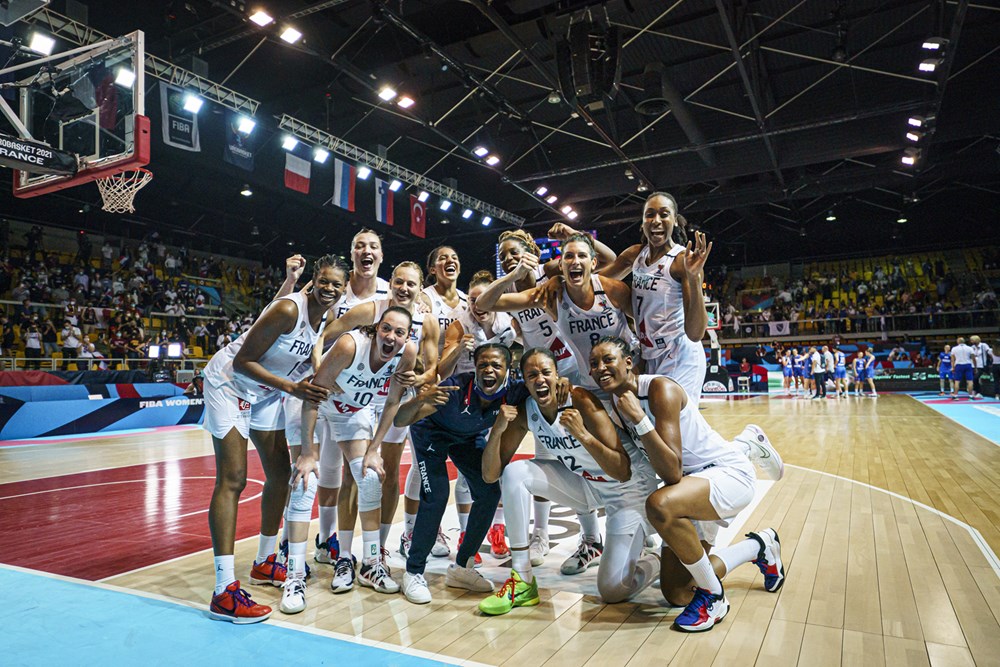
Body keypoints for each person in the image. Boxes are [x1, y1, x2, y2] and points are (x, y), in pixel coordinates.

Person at [591, 337, 784, 632]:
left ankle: (714, 598)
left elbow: (671, 472)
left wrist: (640, 420)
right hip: (689, 486)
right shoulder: (616, 405)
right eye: (594, 364)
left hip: (724, 474)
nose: (600, 368)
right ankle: (758, 546)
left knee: (659, 504)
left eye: (608, 359)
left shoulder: (660, 389)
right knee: (678, 594)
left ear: (628, 362)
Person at [201, 255, 344, 624]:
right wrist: (291, 389)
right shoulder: (287, 309)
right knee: (233, 478)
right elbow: (242, 361)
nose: (330, 289)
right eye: (325, 281)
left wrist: (317, 375)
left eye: (337, 285)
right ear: (314, 280)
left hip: (264, 393)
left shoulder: (324, 317)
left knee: (281, 475)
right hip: (230, 385)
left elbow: (305, 356)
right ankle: (223, 591)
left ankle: (265, 561)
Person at [478, 348, 659, 615]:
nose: (540, 379)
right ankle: (522, 580)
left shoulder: (580, 400)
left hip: (629, 490)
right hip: (589, 486)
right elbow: (490, 475)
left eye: (546, 373)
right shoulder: (527, 411)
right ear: (525, 382)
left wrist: (582, 435)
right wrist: (498, 429)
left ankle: (661, 559)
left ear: (557, 375)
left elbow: (622, 470)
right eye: (532, 375)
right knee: (515, 473)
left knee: (612, 589)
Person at [314, 262, 440, 567]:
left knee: (388, 474)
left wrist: (418, 380)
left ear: (420, 288)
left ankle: (379, 547)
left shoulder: (428, 321)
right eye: (399, 281)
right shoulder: (371, 310)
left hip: (390, 401)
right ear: (390, 283)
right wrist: (321, 371)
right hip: (356, 400)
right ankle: (337, 547)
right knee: (351, 475)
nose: (404, 288)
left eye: (411, 284)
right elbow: (323, 335)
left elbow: (433, 368)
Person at [394, 344, 539, 605]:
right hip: (431, 435)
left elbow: (543, 382)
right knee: (437, 496)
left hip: (467, 437)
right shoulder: (454, 390)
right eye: (483, 365)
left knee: (489, 491)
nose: (489, 370)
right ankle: (413, 572)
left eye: (496, 365)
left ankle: (462, 566)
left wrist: (562, 383)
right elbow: (400, 420)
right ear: (474, 368)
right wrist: (420, 399)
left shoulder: (515, 390)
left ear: (508, 370)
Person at [299, 306, 418, 607]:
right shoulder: (350, 345)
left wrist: (375, 449)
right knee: (305, 477)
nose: (391, 336)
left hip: (350, 414)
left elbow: (392, 402)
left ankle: (368, 563)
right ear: (376, 327)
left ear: (408, 337)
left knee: (368, 477)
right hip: (316, 404)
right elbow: (313, 396)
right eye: (386, 329)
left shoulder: (407, 354)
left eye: (400, 332)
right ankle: (295, 562)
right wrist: (306, 451)